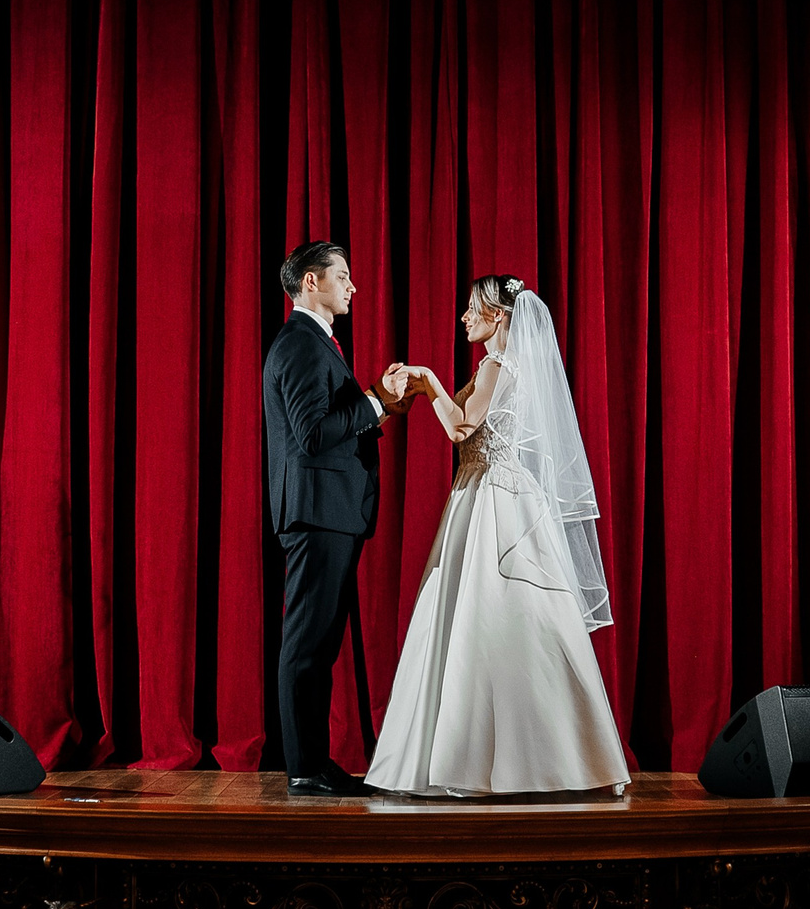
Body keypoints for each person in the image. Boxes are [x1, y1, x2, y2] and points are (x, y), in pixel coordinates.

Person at [365, 274, 629, 798]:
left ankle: (478, 757)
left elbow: (462, 427)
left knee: (484, 620)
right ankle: (556, 756)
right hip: (495, 492)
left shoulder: (496, 364)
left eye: (472, 309)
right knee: (510, 626)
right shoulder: (513, 367)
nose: (464, 317)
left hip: (491, 498)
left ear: (499, 316)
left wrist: (430, 381)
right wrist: (422, 387)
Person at [263, 241, 419, 797]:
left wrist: (379, 402)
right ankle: (304, 768)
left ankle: (313, 762)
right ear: (311, 282)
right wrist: (377, 398)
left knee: (320, 644)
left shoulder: (315, 342)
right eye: (343, 277)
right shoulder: (301, 344)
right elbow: (312, 434)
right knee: (307, 644)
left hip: (330, 512)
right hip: (317, 513)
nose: (354, 287)